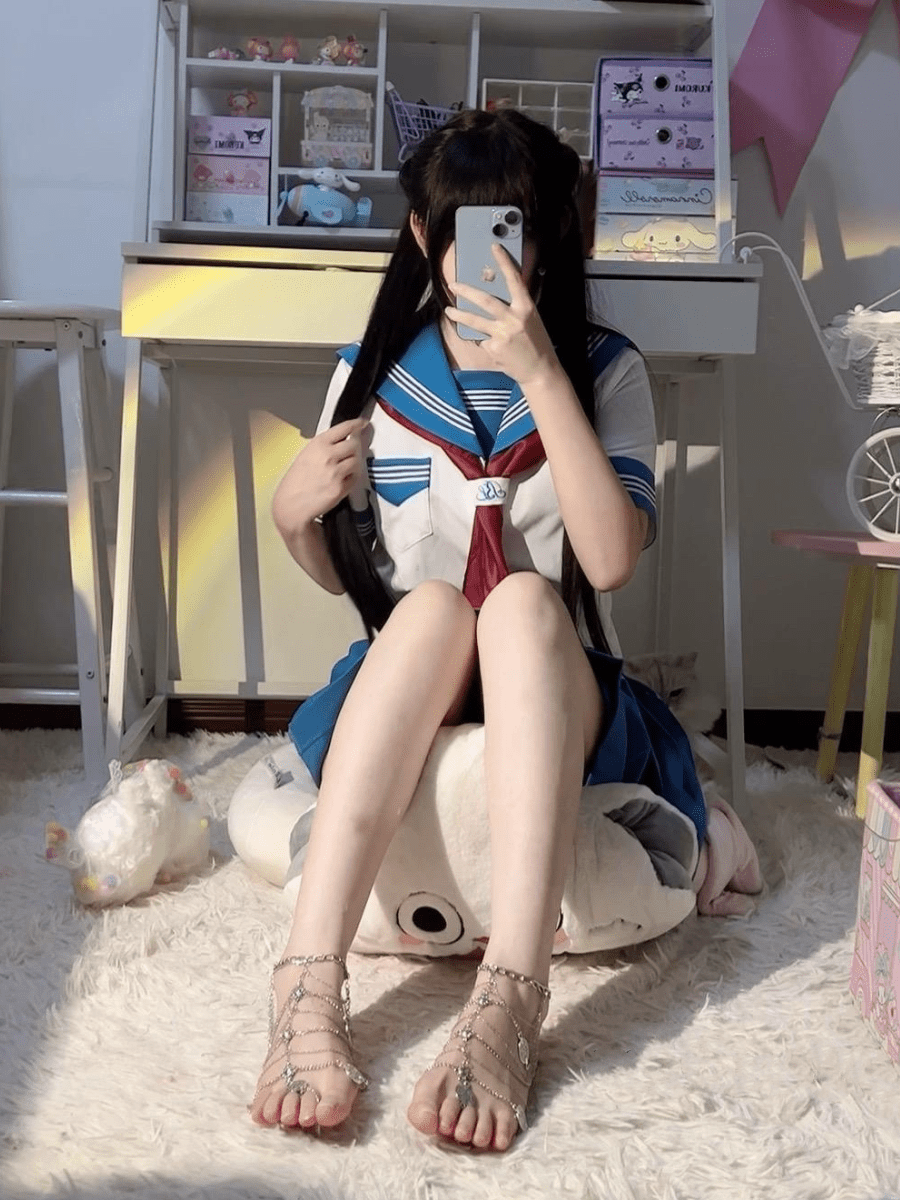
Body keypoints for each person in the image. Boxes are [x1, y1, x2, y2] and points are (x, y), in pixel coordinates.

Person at [247, 107, 761, 1152]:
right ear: (421, 235)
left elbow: (608, 561)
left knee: (522, 601)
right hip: (417, 674)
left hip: (555, 683)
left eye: (513, 227)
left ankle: (511, 997)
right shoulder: (373, 372)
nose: (491, 254)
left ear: (550, 234)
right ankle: (303, 990)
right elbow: (358, 578)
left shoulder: (603, 370)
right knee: (435, 606)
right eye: (466, 229)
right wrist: (291, 517)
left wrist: (539, 373)